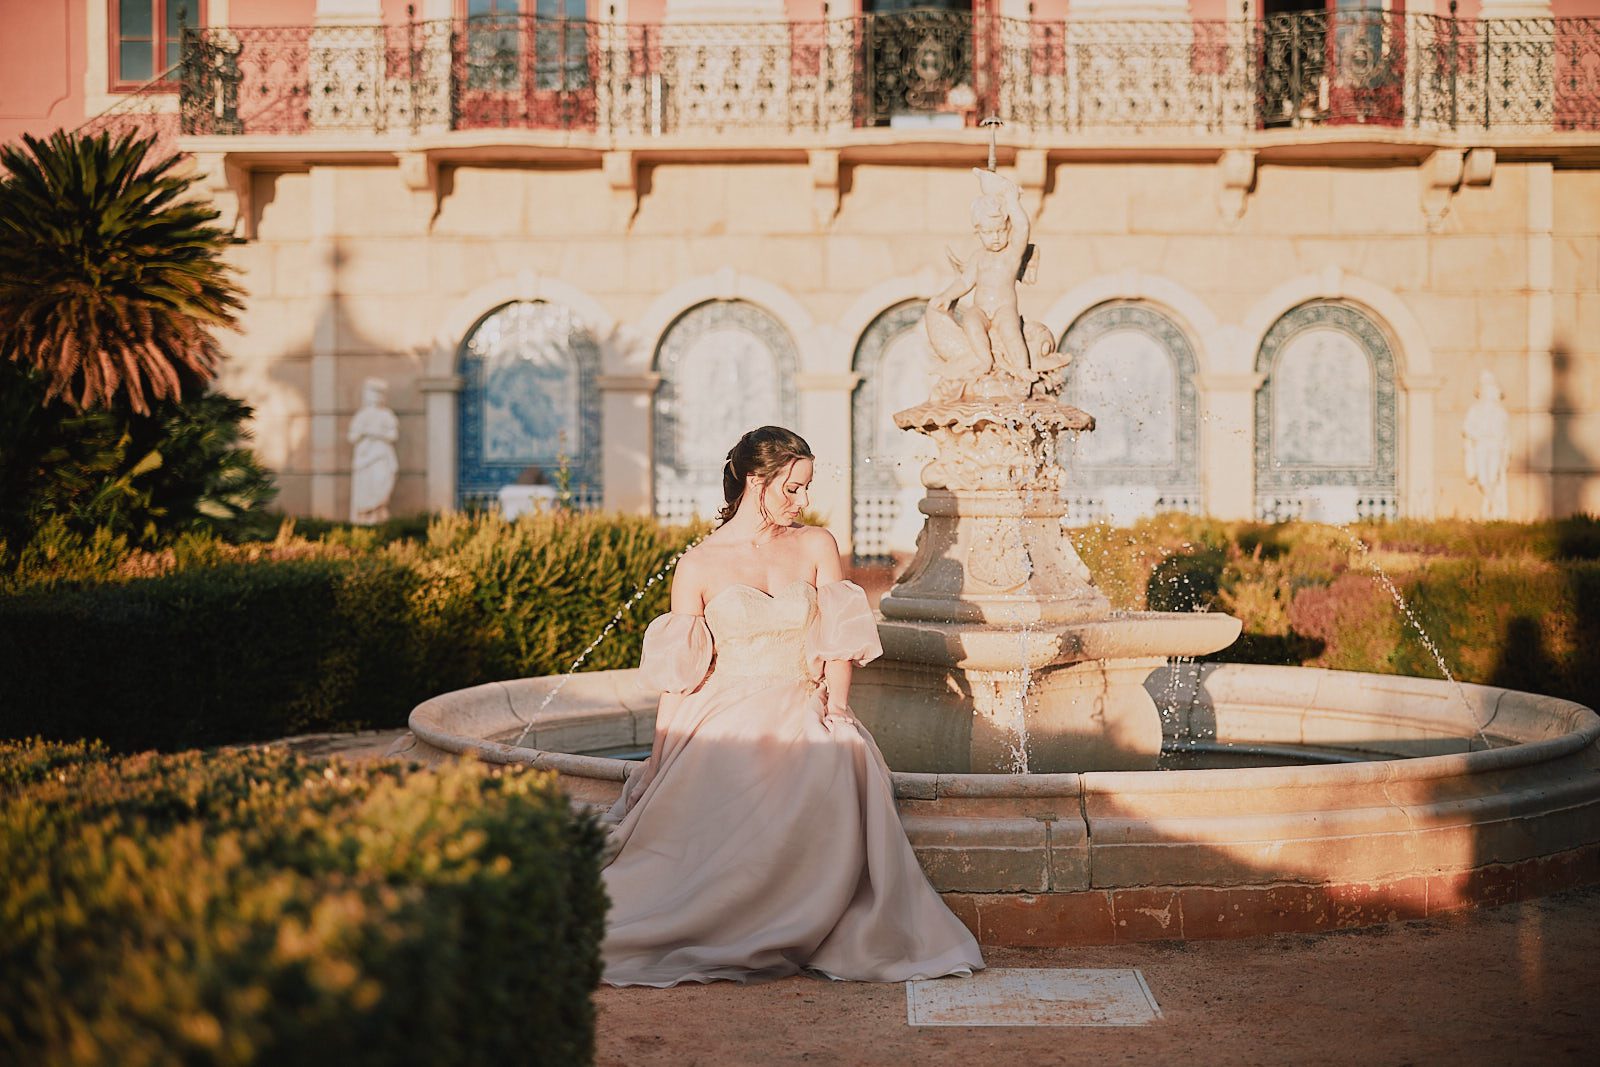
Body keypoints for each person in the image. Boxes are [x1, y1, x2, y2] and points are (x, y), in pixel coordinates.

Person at [600, 425, 985, 987]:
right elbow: (678, 679)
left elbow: (838, 643)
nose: (802, 500)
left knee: (833, 753)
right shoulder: (698, 565)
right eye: (793, 488)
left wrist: (836, 707)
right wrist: (658, 761)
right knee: (715, 780)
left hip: (802, 698)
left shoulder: (816, 545)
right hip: (721, 708)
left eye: (805, 488)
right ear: (757, 481)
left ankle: (798, 915)